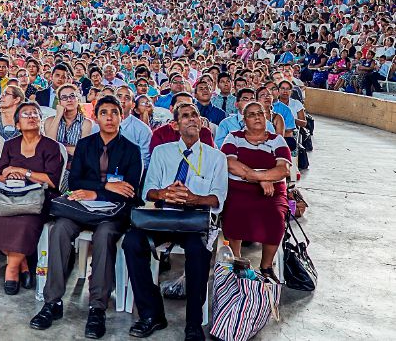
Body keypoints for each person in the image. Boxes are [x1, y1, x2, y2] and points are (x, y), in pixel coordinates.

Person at [31, 96, 142, 339]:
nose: (110, 117)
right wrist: (104, 187)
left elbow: (130, 190)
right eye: (104, 113)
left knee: (104, 236)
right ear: (96, 117)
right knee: (59, 229)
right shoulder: (85, 145)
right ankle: (52, 302)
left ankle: (97, 307)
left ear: (121, 116)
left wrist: (99, 191)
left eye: (115, 112)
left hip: (113, 213)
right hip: (81, 209)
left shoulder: (131, 150)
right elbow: (75, 181)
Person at [123, 102, 228, 341]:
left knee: (198, 251)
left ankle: (193, 323)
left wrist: (194, 198)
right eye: (186, 116)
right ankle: (152, 313)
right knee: (132, 242)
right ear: (175, 124)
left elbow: (217, 197)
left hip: (195, 219)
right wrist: (164, 193)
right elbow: (148, 190)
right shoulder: (163, 152)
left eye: (195, 115)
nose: (192, 119)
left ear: (201, 122)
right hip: (163, 215)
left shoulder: (216, 157)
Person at [0, 102, 63, 293]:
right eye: (26, 114)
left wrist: (23, 171)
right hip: (9, 197)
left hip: (36, 199)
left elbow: (52, 181)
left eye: (35, 114)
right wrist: (9, 175)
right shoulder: (10, 145)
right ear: (17, 124)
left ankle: (11, 270)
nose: (32, 117)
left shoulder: (51, 146)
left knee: (24, 223)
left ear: (41, 121)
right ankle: (23, 263)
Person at [221, 100, 292, 282]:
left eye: (260, 113)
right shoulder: (234, 137)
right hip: (240, 190)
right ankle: (236, 260)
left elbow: (283, 170)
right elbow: (230, 164)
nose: (257, 117)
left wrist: (260, 178)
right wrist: (260, 178)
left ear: (266, 116)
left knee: (276, 215)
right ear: (244, 120)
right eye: (251, 114)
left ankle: (266, 266)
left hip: (272, 192)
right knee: (234, 210)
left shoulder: (277, 140)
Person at [43, 83, 94, 157]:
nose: (69, 100)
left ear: (78, 99)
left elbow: (83, 151)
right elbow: (49, 146)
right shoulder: (50, 121)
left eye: (72, 96)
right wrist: (58, 116)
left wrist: (58, 147)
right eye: (64, 97)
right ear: (59, 102)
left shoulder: (86, 123)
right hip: (53, 164)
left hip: (76, 164)